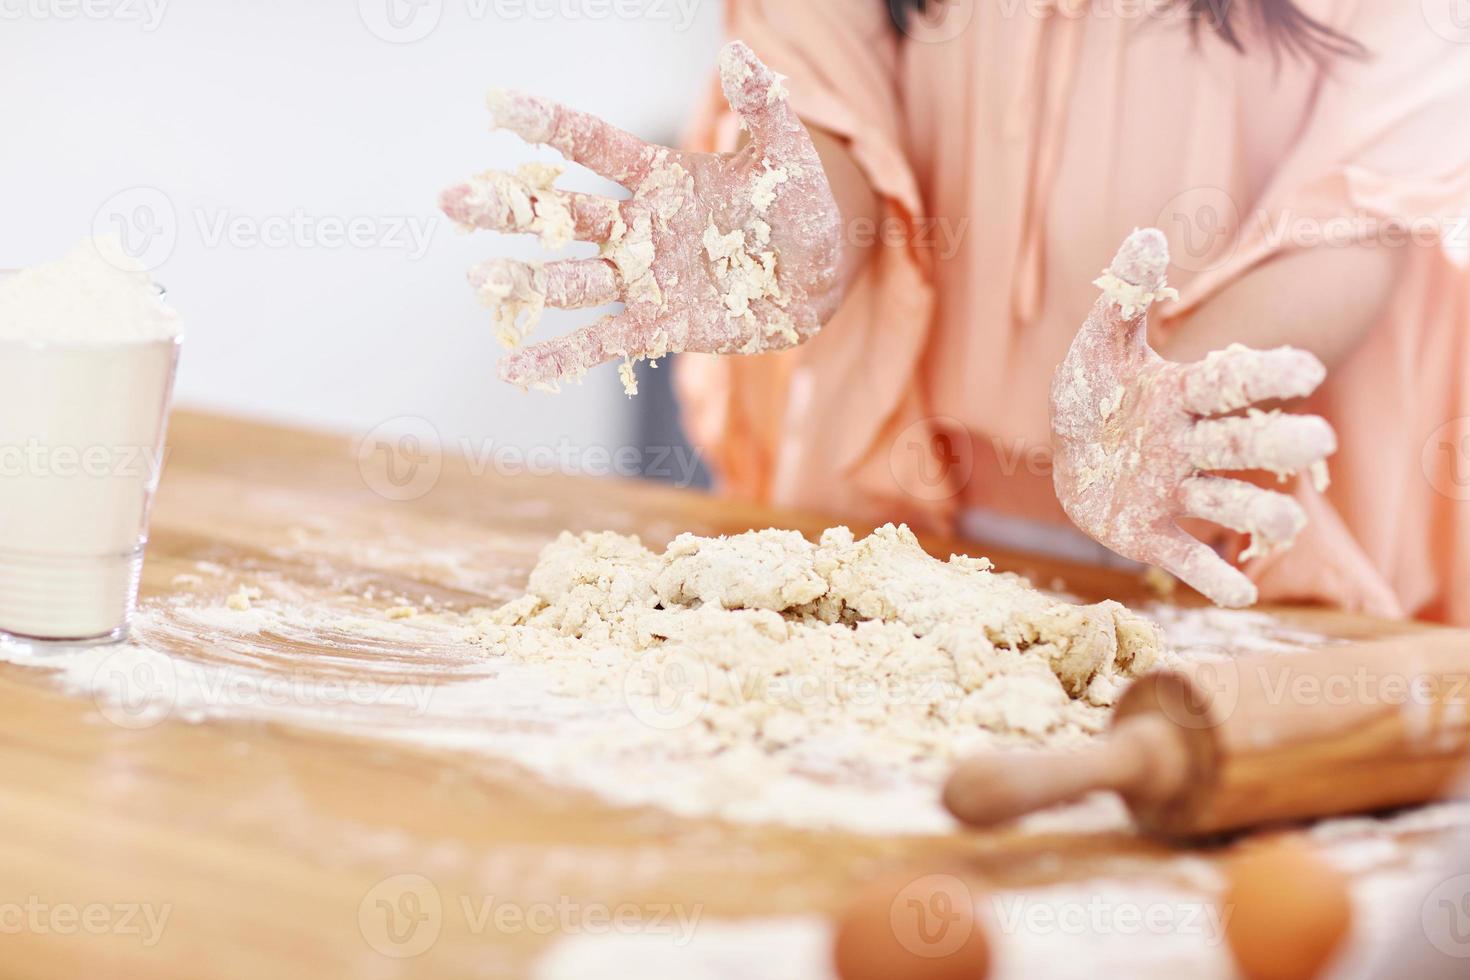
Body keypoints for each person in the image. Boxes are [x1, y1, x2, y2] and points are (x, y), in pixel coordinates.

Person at [441, 1, 1470, 624]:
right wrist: (783, 240)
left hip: (1236, 552)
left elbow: (1358, 218)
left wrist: (1149, 407)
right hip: (891, 543)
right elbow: (830, 126)